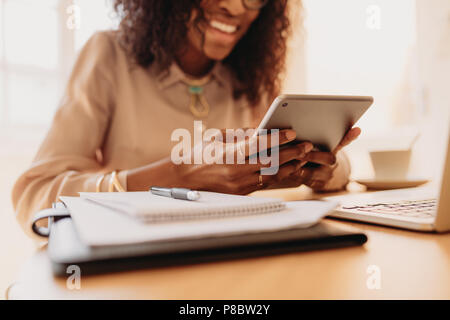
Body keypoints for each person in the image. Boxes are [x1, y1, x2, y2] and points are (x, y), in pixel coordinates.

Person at [12, 0, 360, 237]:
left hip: (234, 262)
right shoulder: (109, 56)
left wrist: (316, 167)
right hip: (136, 270)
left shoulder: (249, 77)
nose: (236, 7)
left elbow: (340, 168)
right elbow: (35, 196)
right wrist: (175, 175)